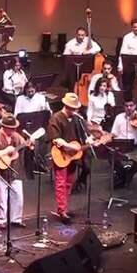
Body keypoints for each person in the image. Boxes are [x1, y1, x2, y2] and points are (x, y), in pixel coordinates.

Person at [0, 115, 32, 227]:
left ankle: (16, 219)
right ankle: (1, 220)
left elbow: (25, 145)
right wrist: (5, 152)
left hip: (15, 169)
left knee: (18, 196)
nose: (13, 130)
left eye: (14, 128)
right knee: (1, 198)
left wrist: (30, 144)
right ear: (4, 127)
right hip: (0, 171)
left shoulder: (17, 136)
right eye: (11, 128)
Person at [48, 93, 84, 223]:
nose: (75, 111)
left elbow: (80, 137)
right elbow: (56, 139)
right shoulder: (55, 118)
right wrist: (70, 147)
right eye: (73, 109)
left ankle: (64, 208)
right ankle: (61, 210)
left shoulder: (76, 120)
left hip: (72, 157)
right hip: (61, 155)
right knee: (61, 183)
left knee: (69, 183)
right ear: (66, 106)